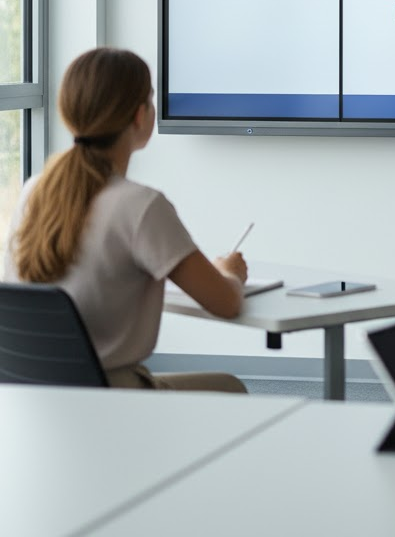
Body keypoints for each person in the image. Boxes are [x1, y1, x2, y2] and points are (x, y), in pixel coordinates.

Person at [2, 47, 249, 392]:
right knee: (230, 388)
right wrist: (230, 273)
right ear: (139, 115)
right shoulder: (141, 207)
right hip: (113, 398)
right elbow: (225, 303)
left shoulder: (33, 191)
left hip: (32, 396)